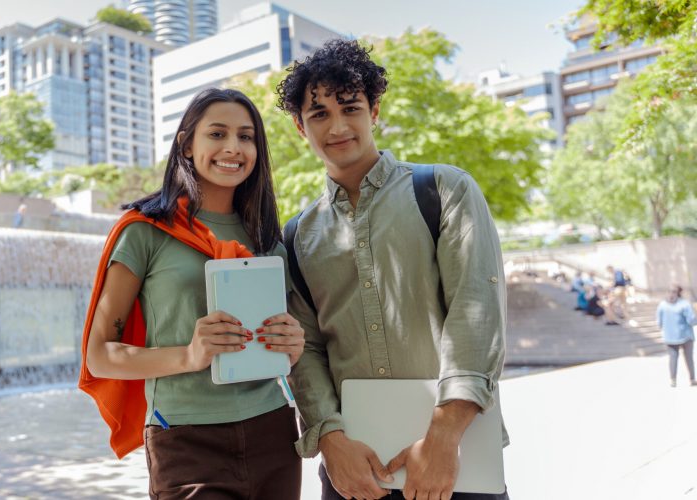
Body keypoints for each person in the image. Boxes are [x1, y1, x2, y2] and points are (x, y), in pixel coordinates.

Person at [276, 39, 508, 500]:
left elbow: (476, 313)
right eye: (319, 114)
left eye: (350, 107)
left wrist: (443, 437)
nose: (337, 125)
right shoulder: (297, 235)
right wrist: (329, 440)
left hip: (457, 458)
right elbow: (305, 350)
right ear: (301, 127)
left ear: (375, 111)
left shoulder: (445, 190)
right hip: (353, 472)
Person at [78, 88, 306, 499]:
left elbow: (279, 346)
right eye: (217, 134)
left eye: (246, 136)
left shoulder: (270, 244)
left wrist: (292, 343)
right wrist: (189, 355)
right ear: (187, 143)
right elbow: (99, 354)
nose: (233, 148)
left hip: (273, 429)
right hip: (185, 436)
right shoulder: (144, 231)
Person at [655, 285, 697, 387]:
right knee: (686, 358)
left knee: (677, 358)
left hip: (673, 336)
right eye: (670, 291)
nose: (671, 294)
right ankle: (688, 379)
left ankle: (679, 379)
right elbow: (691, 320)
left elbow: (659, 322)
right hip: (683, 335)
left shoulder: (663, 305)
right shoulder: (684, 304)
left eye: (673, 291)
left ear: (677, 293)